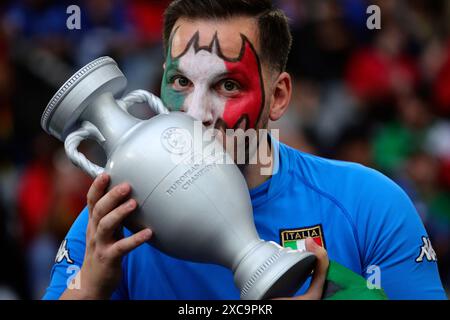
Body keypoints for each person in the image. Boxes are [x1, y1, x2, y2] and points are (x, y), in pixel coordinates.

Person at [43, 0, 446, 300]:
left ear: (279, 96)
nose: (196, 113)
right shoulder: (111, 228)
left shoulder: (367, 203)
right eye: (181, 82)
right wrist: (91, 287)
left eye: (227, 85)